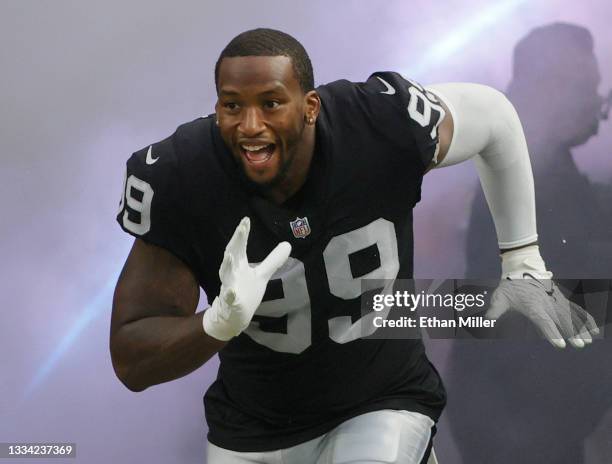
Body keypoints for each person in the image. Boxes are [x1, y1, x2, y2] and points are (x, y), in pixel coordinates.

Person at [110, 28, 597, 464]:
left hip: (378, 400)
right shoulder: (181, 175)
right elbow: (132, 359)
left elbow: (492, 116)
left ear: (310, 106)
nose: (251, 125)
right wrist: (216, 324)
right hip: (251, 425)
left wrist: (523, 260)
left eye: (271, 103)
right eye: (232, 105)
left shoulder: (376, 121)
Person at [445, 23, 612, 464]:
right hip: (517, 425)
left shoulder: (535, 161)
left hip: (533, 416)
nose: (599, 102)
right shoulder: (525, 174)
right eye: (588, 87)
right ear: (553, 87)